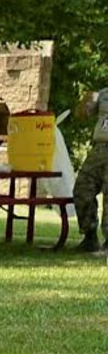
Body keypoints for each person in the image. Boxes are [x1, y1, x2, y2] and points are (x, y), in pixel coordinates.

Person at [75, 84, 107, 253]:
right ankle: (89, 237)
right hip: (99, 150)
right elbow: (82, 114)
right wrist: (87, 101)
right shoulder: (103, 94)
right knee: (82, 189)